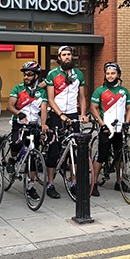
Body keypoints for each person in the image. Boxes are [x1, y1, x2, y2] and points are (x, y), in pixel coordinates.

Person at [44, 46, 89, 198]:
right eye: (64, 55)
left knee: (74, 150)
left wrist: (82, 113)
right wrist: (61, 115)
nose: (67, 57)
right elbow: (50, 99)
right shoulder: (53, 74)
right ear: (59, 58)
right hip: (57, 115)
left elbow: (82, 97)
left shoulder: (79, 75)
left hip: (73, 113)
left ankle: (74, 182)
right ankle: (50, 183)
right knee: (54, 149)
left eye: (69, 54)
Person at [5, 61, 49, 200]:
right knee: (17, 143)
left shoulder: (42, 92)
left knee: (33, 157)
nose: (26, 77)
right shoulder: (18, 88)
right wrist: (19, 113)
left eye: (29, 74)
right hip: (20, 123)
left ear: (36, 76)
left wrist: (43, 124)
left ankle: (31, 187)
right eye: (25, 74)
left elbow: (43, 110)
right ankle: (12, 159)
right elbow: (10, 105)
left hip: (34, 125)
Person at [90, 62, 130, 196]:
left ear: (118, 74)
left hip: (119, 129)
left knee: (120, 156)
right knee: (102, 156)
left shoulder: (123, 91)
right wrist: (101, 124)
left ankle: (119, 182)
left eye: (113, 73)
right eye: (107, 73)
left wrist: (127, 122)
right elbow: (93, 108)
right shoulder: (100, 91)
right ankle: (94, 183)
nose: (110, 76)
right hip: (106, 129)